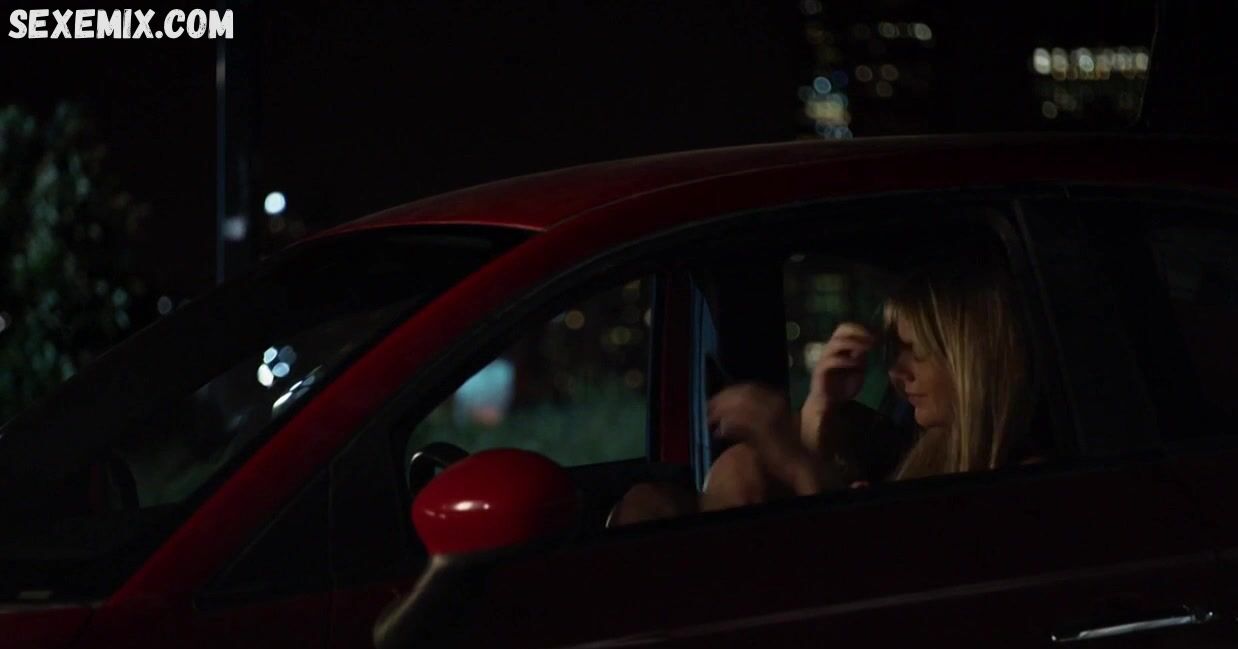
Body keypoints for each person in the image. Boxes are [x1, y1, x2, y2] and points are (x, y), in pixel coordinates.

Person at [608, 261, 1035, 526]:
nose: (896, 372)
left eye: (917, 352)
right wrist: (818, 409)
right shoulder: (928, 450)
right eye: (894, 353)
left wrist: (791, 457)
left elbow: (861, 572)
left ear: (969, 360)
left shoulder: (1025, 484)